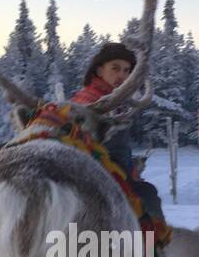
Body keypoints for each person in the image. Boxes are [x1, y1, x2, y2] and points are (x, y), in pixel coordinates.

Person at [70, 42, 165, 223]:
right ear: (99, 71)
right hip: (93, 179)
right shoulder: (88, 102)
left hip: (109, 175)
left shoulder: (115, 102)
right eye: (115, 68)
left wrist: (129, 167)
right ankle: (153, 248)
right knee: (147, 195)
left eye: (126, 71)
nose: (121, 75)